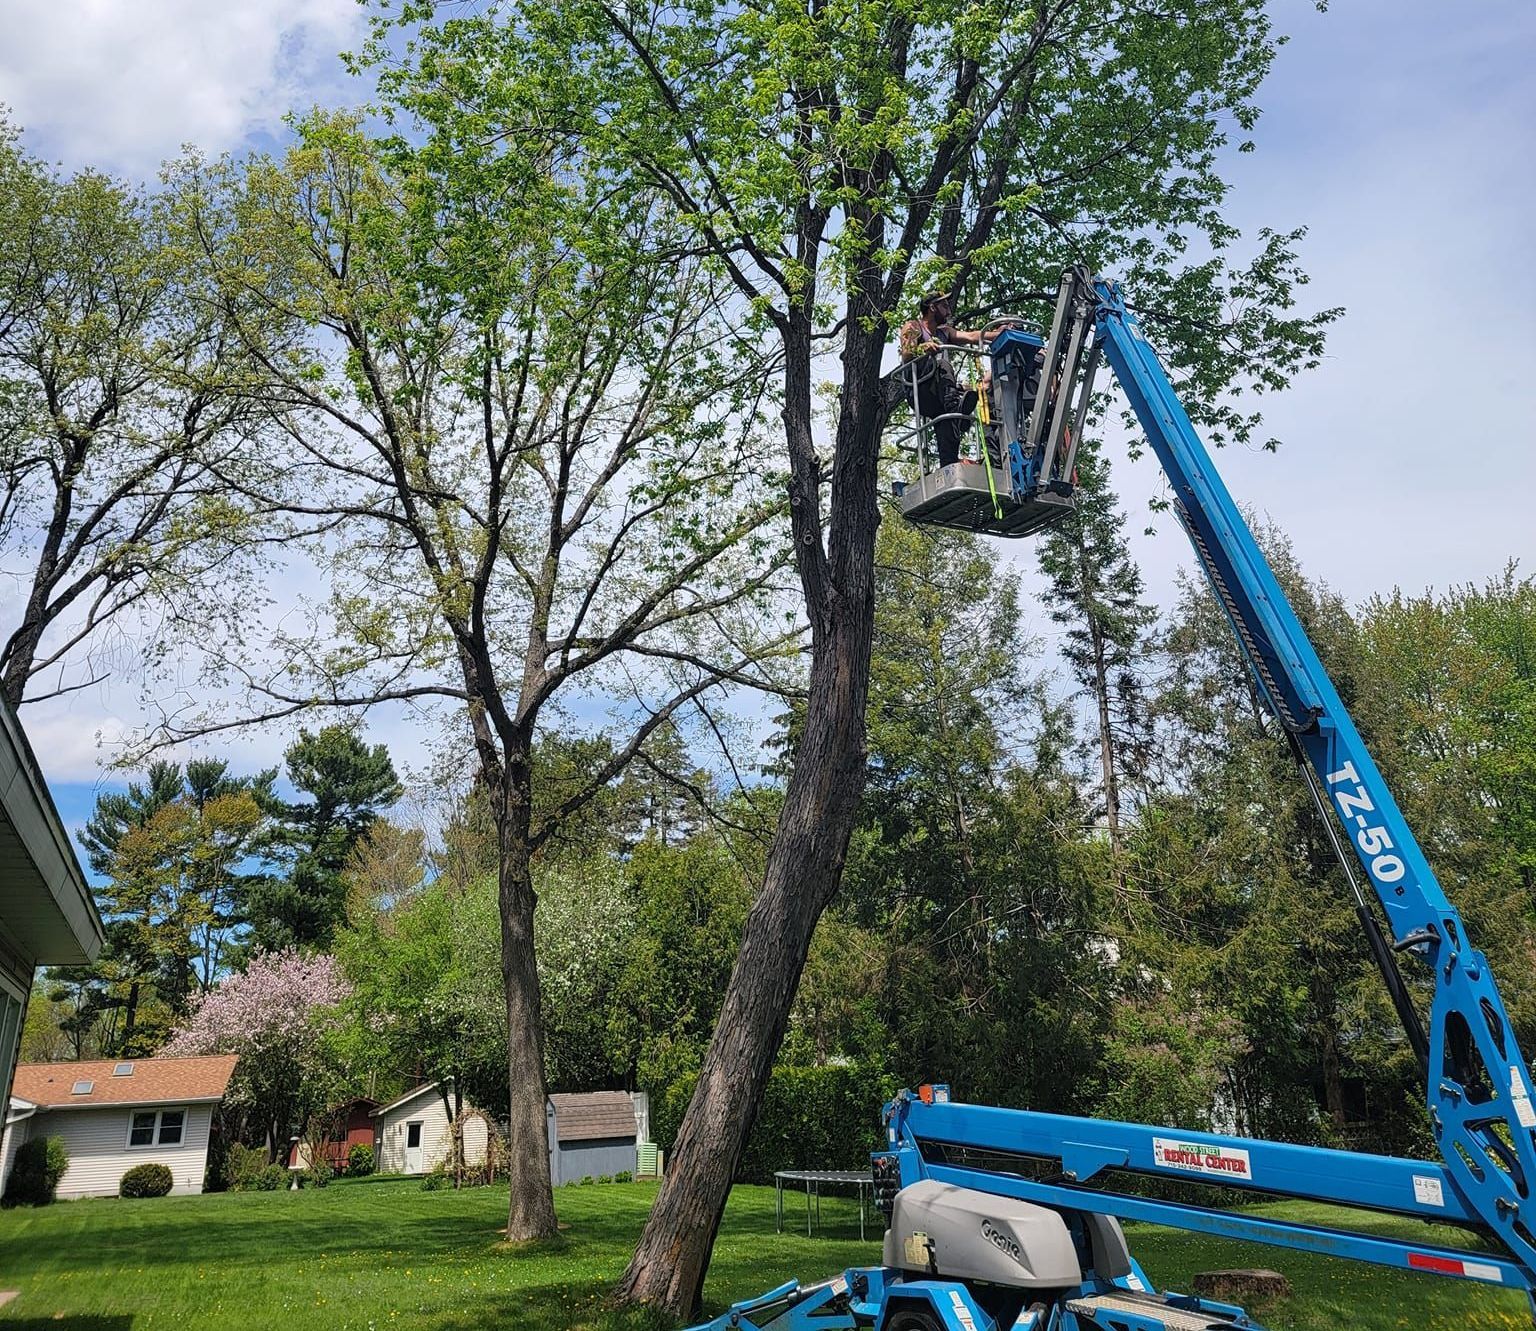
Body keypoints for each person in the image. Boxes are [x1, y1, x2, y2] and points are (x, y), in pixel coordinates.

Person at [898, 292, 1009, 468]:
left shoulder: (945, 332)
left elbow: (972, 336)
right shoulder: (913, 326)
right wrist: (923, 347)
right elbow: (906, 354)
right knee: (944, 365)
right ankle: (957, 410)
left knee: (948, 422)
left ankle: (948, 465)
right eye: (945, 306)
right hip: (921, 390)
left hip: (940, 394)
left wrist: (998, 334)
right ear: (932, 308)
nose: (949, 310)